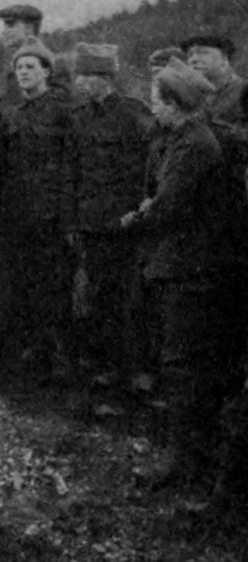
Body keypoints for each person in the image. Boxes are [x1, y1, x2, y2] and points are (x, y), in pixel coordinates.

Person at [119, 58, 243, 490]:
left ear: (174, 103)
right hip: (181, 266)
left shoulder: (193, 145)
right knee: (181, 363)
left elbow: (167, 205)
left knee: (182, 365)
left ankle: (183, 459)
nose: (152, 107)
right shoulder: (181, 139)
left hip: (190, 271)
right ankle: (188, 454)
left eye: (156, 100)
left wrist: (135, 218)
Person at [69, 43, 154, 373]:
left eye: (85, 76)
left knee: (126, 300)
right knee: (95, 297)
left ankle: (130, 370)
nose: (79, 83)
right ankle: (103, 367)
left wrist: (136, 212)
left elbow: (148, 168)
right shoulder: (79, 118)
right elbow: (72, 171)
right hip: (90, 222)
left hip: (124, 223)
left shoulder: (134, 114)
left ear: (103, 78)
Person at [0, 37, 76, 380]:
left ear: (47, 71)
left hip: (51, 214)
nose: (24, 73)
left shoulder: (64, 110)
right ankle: (33, 351)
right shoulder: (14, 113)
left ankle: (59, 356)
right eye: (19, 68)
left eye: (31, 67)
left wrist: (65, 214)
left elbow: (72, 165)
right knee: (25, 282)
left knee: (55, 286)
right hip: (19, 212)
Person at [0, 4, 72, 105]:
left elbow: (63, 104)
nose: (4, 32)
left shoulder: (55, 64)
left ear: (28, 28)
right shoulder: (13, 70)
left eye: (10, 24)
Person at [180, 35, 245, 124]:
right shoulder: (188, 99)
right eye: (190, 55)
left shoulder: (243, 92)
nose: (193, 60)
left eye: (203, 52)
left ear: (224, 60)